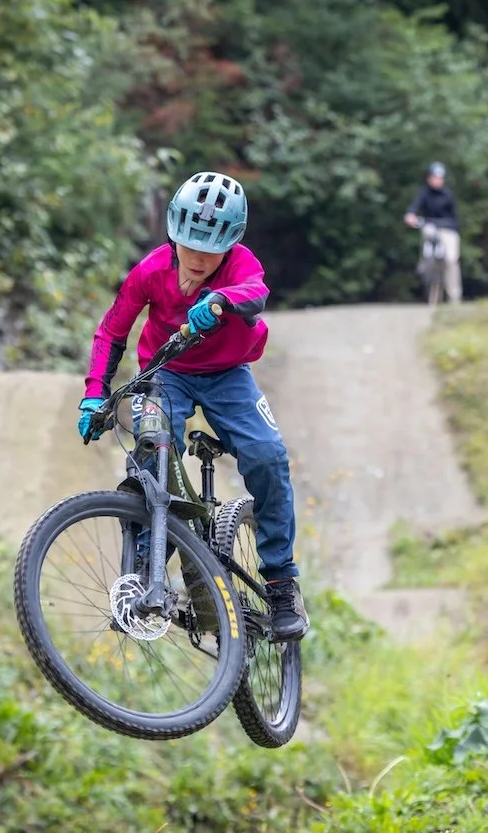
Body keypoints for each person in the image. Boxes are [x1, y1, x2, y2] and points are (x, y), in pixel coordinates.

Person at [76, 170, 309, 643]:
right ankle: (144, 571)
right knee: (151, 446)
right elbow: (112, 331)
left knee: (268, 456)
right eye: (189, 244)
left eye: (212, 247)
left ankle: (282, 582)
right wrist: (95, 392)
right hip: (167, 375)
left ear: (231, 243)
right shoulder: (151, 271)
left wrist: (222, 298)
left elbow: (256, 293)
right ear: (173, 234)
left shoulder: (241, 264)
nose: (199, 257)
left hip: (230, 377)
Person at [402, 161, 462, 303]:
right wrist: (410, 216)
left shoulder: (448, 195)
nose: (437, 181)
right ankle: (426, 265)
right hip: (430, 227)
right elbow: (414, 208)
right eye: (434, 177)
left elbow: (455, 218)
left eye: (440, 178)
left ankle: (455, 296)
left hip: (448, 229)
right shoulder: (424, 193)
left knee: (451, 260)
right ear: (429, 178)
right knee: (428, 235)